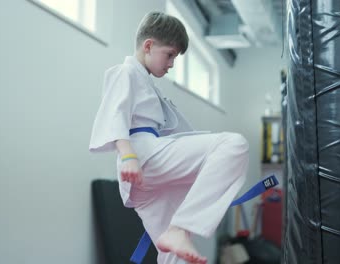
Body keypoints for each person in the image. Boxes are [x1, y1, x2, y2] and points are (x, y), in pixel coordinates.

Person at [89, 11, 249, 264]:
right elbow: (114, 115)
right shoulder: (125, 72)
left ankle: (177, 234)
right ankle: (180, 229)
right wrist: (128, 154)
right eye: (170, 54)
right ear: (149, 45)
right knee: (233, 144)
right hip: (142, 156)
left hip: (146, 180)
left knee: (175, 256)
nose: (172, 63)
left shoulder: (148, 85)